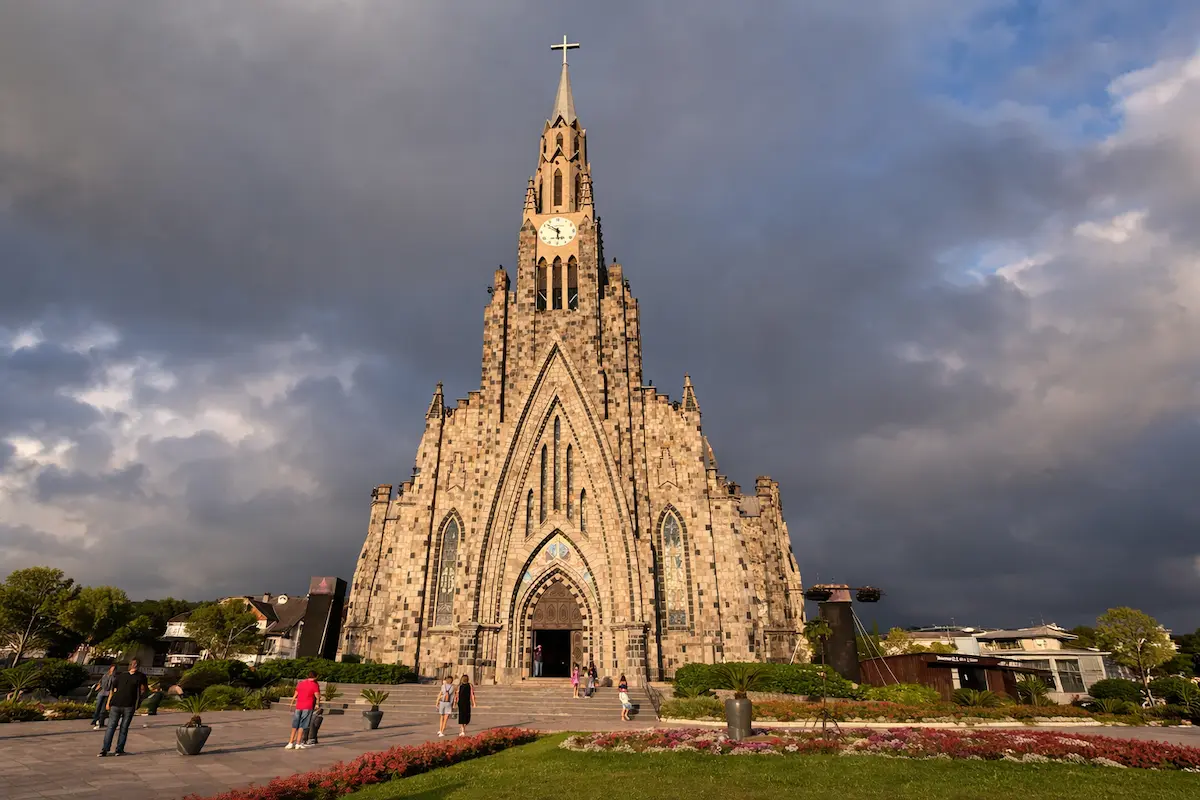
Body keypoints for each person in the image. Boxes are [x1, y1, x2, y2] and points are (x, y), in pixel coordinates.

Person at [98, 659, 148, 757]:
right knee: (122, 728)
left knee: (112, 727)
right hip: (128, 705)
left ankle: (106, 749)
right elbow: (143, 690)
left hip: (118, 703)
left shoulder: (122, 675)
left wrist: (108, 703)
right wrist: (139, 701)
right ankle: (118, 749)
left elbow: (113, 690)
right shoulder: (140, 676)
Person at [286, 671, 321, 750]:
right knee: (302, 725)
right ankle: (298, 743)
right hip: (307, 706)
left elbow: (296, 694)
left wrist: (291, 703)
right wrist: (317, 704)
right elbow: (317, 696)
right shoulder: (314, 685)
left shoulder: (301, 683)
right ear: (316, 677)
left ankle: (290, 743)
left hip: (299, 706)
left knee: (295, 725)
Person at [90, 665, 117, 729]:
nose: (113, 671)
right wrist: (96, 689)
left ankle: (101, 722)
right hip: (102, 692)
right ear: (110, 669)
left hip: (108, 693)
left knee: (103, 709)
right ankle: (95, 720)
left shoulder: (114, 678)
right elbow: (100, 683)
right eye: (112, 669)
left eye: (114, 670)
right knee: (98, 707)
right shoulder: (105, 676)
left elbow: (114, 687)